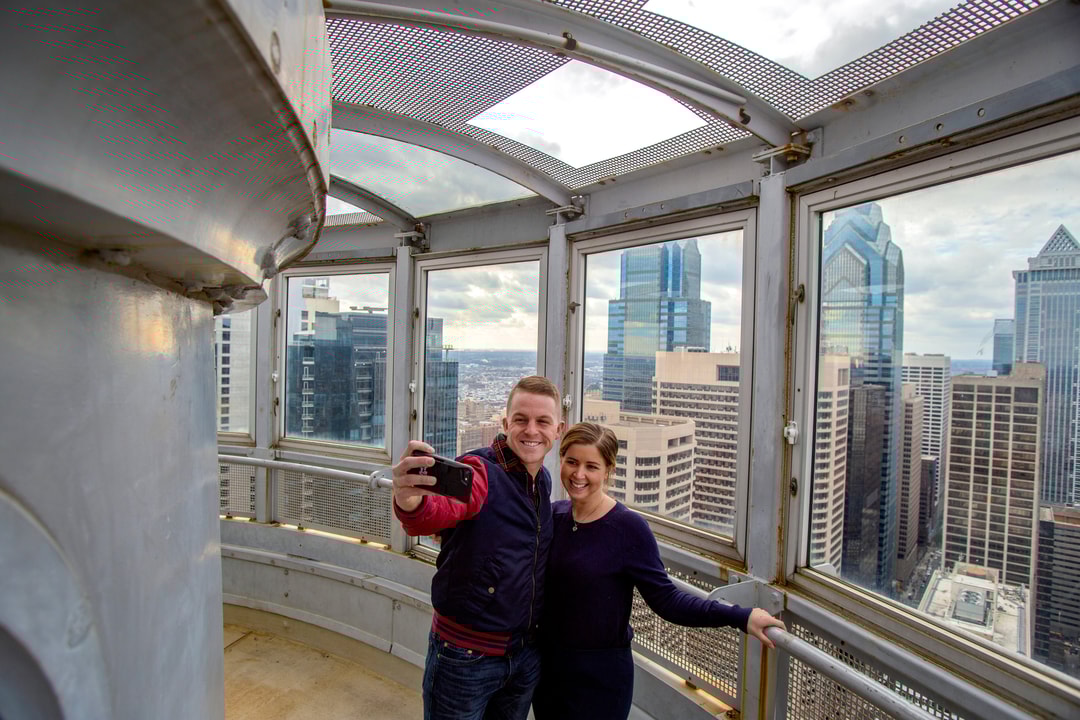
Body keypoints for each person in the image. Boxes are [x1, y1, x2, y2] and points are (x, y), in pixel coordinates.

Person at [532, 422, 787, 720]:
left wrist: (740, 616)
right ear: (560, 459)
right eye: (572, 462)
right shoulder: (553, 515)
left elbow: (667, 601)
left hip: (599, 677)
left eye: (592, 466)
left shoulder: (628, 528)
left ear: (608, 469)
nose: (578, 474)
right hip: (549, 670)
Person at [391, 375, 565, 720]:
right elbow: (434, 513)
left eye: (542, 421)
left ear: (557, 430)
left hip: (523, 655)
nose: (532, 430)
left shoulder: (542, 482)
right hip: (466, 656)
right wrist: (408, 500)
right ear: (505, 424)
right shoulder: (480, 472)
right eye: (521, 419)